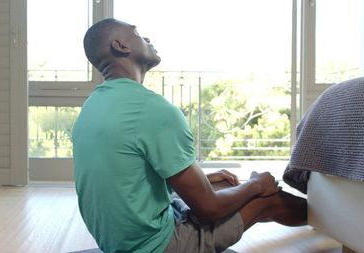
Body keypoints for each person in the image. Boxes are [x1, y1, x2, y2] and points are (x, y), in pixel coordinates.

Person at [72, 18, 307, 253]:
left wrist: (208, 178)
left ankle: (320, 215)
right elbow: (210, 209)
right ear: (121, 46)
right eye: (138, 34)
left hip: (116, 242)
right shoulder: (153, 109)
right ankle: (330, 220)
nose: (147, 38)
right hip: (156, 246)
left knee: (225, 183)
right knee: (268, 198)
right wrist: (256, 184)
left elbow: (126, 176)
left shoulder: (93, 106)